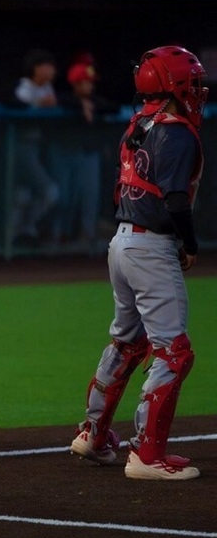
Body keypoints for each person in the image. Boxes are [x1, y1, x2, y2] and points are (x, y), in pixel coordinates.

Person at [70, 46, 208, 480]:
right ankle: (147, 456)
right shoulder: (178, 131)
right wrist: (190, 243)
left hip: (121, 244)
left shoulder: (139, 122)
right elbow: (175, 200)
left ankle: (93, 433)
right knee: (174, 351)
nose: (199, 90)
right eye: (193, 82)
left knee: (127, 342)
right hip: (151, 248)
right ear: (175, 86)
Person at [48, 62, 112, 251]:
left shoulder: (95, 102)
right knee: (63, 198)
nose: (90, 86)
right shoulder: (65, 100)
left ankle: (85, 239)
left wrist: (87, 104)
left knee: (88, 198)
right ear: (75, 84)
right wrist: (79, 105)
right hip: (62, 153)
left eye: (91, 82)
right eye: (85, 82)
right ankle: (56, 237)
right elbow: (59, 100)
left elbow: (111, 107)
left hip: (86, 154)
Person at [10, 49, 60, 247]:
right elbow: (18, 107)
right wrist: (39, 103)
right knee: (49, 191)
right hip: (19, 146)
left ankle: (18, 235)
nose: (52, 70)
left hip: (37, 148)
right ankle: (23, 230)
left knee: (22, 196)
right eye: (48, 66)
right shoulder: (24, 87)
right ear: (36, 68)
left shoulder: (47, 87)